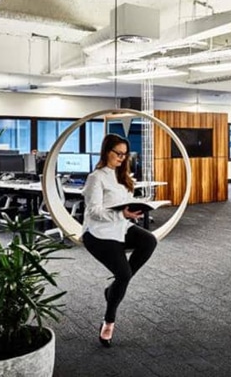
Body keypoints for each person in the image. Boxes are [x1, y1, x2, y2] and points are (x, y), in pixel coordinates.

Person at [82, 133, 158, 347]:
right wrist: (121, 214)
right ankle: (109, 321)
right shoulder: (95, 177)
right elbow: (94, 211)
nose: (122, 158)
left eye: (125, 155)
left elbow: (123, 204)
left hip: (120, 227)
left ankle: (113, 289)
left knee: (149, 241)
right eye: (118, 153)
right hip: (98, 233)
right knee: (123, 274)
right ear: (107, 151)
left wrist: (133, 209)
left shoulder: (122, 176)